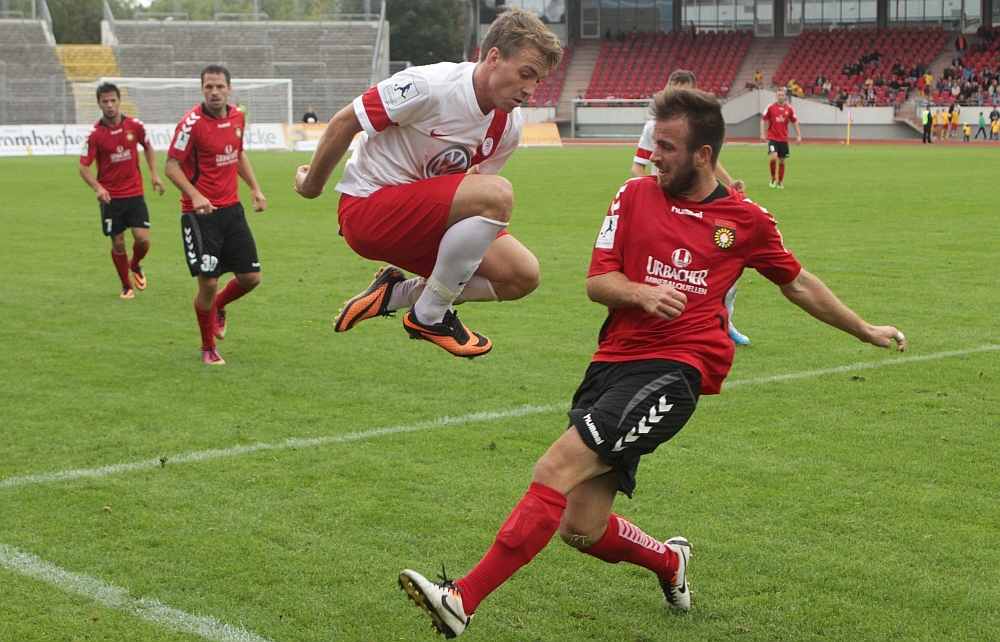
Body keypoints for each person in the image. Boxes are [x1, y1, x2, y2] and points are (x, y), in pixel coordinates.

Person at [398, 88, 907, 639]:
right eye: (653, 142)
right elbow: (598, 282)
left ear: (703, 155)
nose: (653, 155)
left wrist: (864, 328)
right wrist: (640, 293)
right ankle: (670, 561)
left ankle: (462, 599)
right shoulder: (633, 194)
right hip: (612, 362)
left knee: (553, 470)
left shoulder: (745, 220)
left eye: (666, 146)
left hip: (676, 370)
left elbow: (798, 283)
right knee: (581, 526)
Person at [294, 6, 563, 358]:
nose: (530, 90)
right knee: (498, 194)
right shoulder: (429, 86)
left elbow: (473, 190)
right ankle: (430, 315)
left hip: (420, 219)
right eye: (526, 74)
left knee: (522, 276)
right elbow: (347, 121)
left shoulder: (508, 124)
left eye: (538, 80)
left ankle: (393, 294)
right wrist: (312, 186)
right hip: (367, 209)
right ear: (494, 57)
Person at [631, 70, 749, 345]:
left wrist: (729, 181)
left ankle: (724, 321)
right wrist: (644, 194)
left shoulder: (698, 126)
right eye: (674, 87)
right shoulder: (654, 126)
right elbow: (638, 165)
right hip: (665, 203)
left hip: (698, 202)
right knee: (665, 268)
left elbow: (705, 160)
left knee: (722, 267)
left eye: (684, 89)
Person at [164, 65, 267, 365]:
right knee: (207, 282)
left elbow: (237, 153)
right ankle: (208, 346)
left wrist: (255, 188)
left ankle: (219, 305)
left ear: (229, 88)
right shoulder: (190, 124)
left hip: (232, 210)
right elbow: (170, 165)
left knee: (250, 278)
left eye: (219, 86)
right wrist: (195, 195)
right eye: (209, 86)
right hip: (200, 215)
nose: (214, 92)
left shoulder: (237, 117)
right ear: (202, 89)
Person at [79, 82, 165, 298]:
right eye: (105, 101)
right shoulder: (95, 134)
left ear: (119, 101)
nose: (109, 105)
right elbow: (83, 167)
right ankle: (126, 285)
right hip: (110, 198)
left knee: (142, 239)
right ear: (99, 104)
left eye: (113, 100)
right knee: (118, 242)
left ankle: (134, 264)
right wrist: (98, 188)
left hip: (134, 192)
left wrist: (154, 174)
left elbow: (148, 147)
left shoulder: (134, 126)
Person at [761, 87, 802, 189]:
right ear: (776, 96)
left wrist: (798, 135)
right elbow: (763, 119)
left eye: (782, 95)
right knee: (773, 157)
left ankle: (780, 182)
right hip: (772, 137)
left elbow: (794, 121)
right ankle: (773, 178)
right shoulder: (770, 107)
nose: (780, 97)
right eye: (779, 95)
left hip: (783, 139)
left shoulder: (789, 109)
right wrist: (762, 133)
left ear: (785, 96)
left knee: (782, 161)